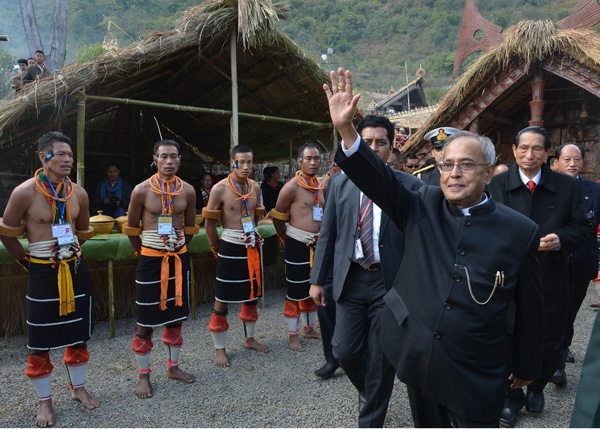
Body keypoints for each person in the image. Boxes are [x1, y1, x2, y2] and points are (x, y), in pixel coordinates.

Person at [322, 68, 545, 428]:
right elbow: (378, 179)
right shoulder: (419, 205)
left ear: (489, 173)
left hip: (476, 369)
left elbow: (531, 308)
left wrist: (526, 366)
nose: (454, 173)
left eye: (466, 165)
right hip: (419, 357)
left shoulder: (520, 230)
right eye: (447, 165)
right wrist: (347, 131)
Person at [310, 113, 424, 427]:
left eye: (381, 143)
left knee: (380, 356)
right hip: (351, 277)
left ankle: (370, 418)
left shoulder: (410, 186)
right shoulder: (340, 183)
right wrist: (317, 279)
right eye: (367, 142)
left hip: (390, 282)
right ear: (357, 143)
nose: (374, 148)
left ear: (392, 148)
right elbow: (328, 232)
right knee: (344, 351)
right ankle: (371, 391)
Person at [487, 127, 589, 427]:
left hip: (550, 275)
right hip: (507, 277)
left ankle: (537, 387)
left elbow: (582, 227)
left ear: (548, 154)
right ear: (514, 150)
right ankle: (511, 398)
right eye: (523, 148)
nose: (529, 155)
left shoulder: (567, 187)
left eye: (537, 149)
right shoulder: (496, 185)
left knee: (548, 338)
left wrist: (560, 238)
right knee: (508, 335)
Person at [0, 131, 99, 427]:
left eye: (70, 155)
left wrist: (70, 255)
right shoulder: (25, 192)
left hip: (76, 269)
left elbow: (82, 232)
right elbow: (6, 231)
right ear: (44, 157)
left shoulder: (78, 193)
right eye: (62, 155)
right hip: (42, 272)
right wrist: (26, 260)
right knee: (39, 340)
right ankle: (45, 403)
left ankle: (78, 388)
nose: (68, 159)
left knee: (78, 333)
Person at [123, 139, 198, 398]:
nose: (169, 161)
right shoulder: (141, 190)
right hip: (151, 259)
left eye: (174, 156)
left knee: (175, 316)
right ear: (155, 159)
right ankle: (144, 376)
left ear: (180, 160)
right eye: (163, 156)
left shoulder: (188, 190)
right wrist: (146, 251)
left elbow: (189, 229)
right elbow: (132, 229)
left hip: (179, 258)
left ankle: (173, 368)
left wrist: (177, 248)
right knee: (145, 321)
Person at [202, 144, 268, 367]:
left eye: (250, 162)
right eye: (242, 162)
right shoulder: (220, 188)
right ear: (233, 162)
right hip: (229, 246)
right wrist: (216, 248)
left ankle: (249, 339)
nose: (247, 166)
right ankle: (220, 349)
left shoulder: (255, 188)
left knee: (252, 294)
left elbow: (257, 216)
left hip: (251, 245)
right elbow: (209, 224)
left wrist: (252, 234)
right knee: (222, 298)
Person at [551, 143, 600, 385]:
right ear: (555, 163)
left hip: (580, 263)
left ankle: (561, 350)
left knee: (569, 312)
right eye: (567, 159)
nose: (573, 163)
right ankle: (556, 363)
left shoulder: (594, 190)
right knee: (553, 311)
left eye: (577, 159)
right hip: (549, 262)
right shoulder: (544, 190)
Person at [272, 142, 324, 352]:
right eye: (308, 158)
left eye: (316, 158)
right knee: (295, 289)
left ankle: (309, 328)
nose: (313, 162)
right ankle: (293, 335)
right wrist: (286, 237)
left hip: (318, 243)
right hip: (296, 242)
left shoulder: (321, 185)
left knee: (315, 286)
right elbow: (278, 216)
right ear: (299, 160)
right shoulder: (291, 187)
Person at [313, 151, 341, 378]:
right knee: (325, 304)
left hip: (367, 261)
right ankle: (332, 358)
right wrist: (318, 279)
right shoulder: (332, 184)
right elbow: (327, 228)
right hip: (335, 256)